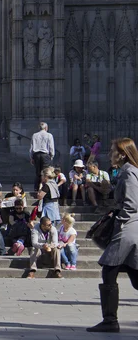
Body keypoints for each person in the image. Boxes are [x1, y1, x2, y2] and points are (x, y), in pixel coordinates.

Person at [87, 138, 138, 333]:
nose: (108, 154)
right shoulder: (127, 172)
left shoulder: (129, 173)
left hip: (127, 229)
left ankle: (110, 321)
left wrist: (118, 220)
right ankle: (110, 320)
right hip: (130, 227)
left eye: (111, 150)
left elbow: (132, 204)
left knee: (109, 270)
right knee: (133, 272)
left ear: (123, 154)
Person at [30, 122, 55, 191]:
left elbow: (31, 147)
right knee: (45, 171)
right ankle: (44, 187)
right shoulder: (49, 135)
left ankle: (36, 187)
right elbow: (51, 147)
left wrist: (31, 157)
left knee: (38, 171)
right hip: (45, 154)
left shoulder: (34, 135)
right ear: (46, 128)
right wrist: (51, 155)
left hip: (36, 154)